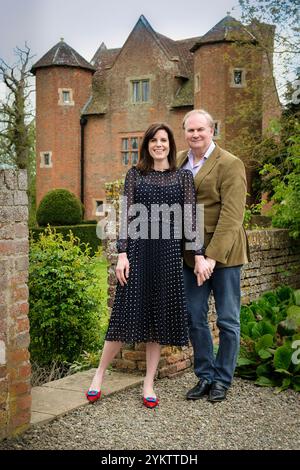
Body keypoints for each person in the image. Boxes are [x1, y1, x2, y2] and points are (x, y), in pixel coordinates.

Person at [86, 122, 202, 408]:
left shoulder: (183, 177)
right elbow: (126, 216)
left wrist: (198, 254)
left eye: (163, 140)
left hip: (168, 256)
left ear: (170, 145)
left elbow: (190, 220)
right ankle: (98, 375)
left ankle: (149, 383)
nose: (159, 144)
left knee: (158, 321)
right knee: (122, 316)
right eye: (153, 140)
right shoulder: (135, 175)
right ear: (147, 145)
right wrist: (122, 254)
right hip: (138, 253)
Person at [177, 109, 250, 402]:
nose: (195, 135)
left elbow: (232, 216)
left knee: (227, 320)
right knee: (194, 316)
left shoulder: (230, 164)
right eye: (190, 130)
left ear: (212, 131)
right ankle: (205, 376)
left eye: (200, 130)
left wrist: (211, 257)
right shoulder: (179, 161)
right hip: (189, 255)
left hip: (225, 255)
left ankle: (222, 379)